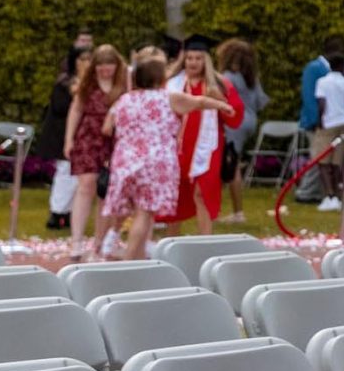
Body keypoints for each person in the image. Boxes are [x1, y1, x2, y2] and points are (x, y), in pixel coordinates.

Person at [96, 55, 228, 261]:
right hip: (155, 161)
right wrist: (222, 106)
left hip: (125, 160)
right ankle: (131, 260)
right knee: (144, 213)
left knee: (132, 210)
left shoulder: (125, 99)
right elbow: (199, 102)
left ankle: (132, 255)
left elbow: (107, 127)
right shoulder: (168, 97)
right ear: (159, 78)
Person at [169, 37, 244, 229]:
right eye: (189, 58)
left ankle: (205, 239)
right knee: (175, 194)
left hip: (208, 148)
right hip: (177, 146)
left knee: (202, 192)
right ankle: (171, 240)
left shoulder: (220, 84)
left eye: (198, 58)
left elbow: (235, 118)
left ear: (206, 61)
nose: (193, 62)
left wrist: (221, 100)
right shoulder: (172, 84)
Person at [61, 44, 125, 260]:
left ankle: (99, 243)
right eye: (101, 66)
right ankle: (77, 241)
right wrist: (69, 138)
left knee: (105, 191)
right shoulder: (88, 85)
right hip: (88, 137)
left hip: (114, 140)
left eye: (110, 65)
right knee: (86, 185)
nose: (105, 70)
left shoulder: (124, 84)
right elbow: (76, 109)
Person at [33, 45, 81, 231]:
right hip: (61, 136)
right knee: (65, 173)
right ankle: (58, 211)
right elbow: (61, 108)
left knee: (74, 176)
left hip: (76, 135)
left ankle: (66, 210)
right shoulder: (64, 84)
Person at [216, 38, 268, 206]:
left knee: (231, 164)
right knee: (233, 160)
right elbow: (262, 102)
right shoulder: (251, 78)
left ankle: (238, 211)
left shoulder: (227, 77)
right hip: (250, 120)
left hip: (235, 121)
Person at [309, 54, 344, 214]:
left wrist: (319, 122)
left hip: (328, 123)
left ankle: (329, 196)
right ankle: (337, 196)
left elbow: (322, 104)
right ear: (343, 66)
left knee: (323, 161)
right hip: (343, 122)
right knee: (337, 162)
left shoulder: (322, 82)